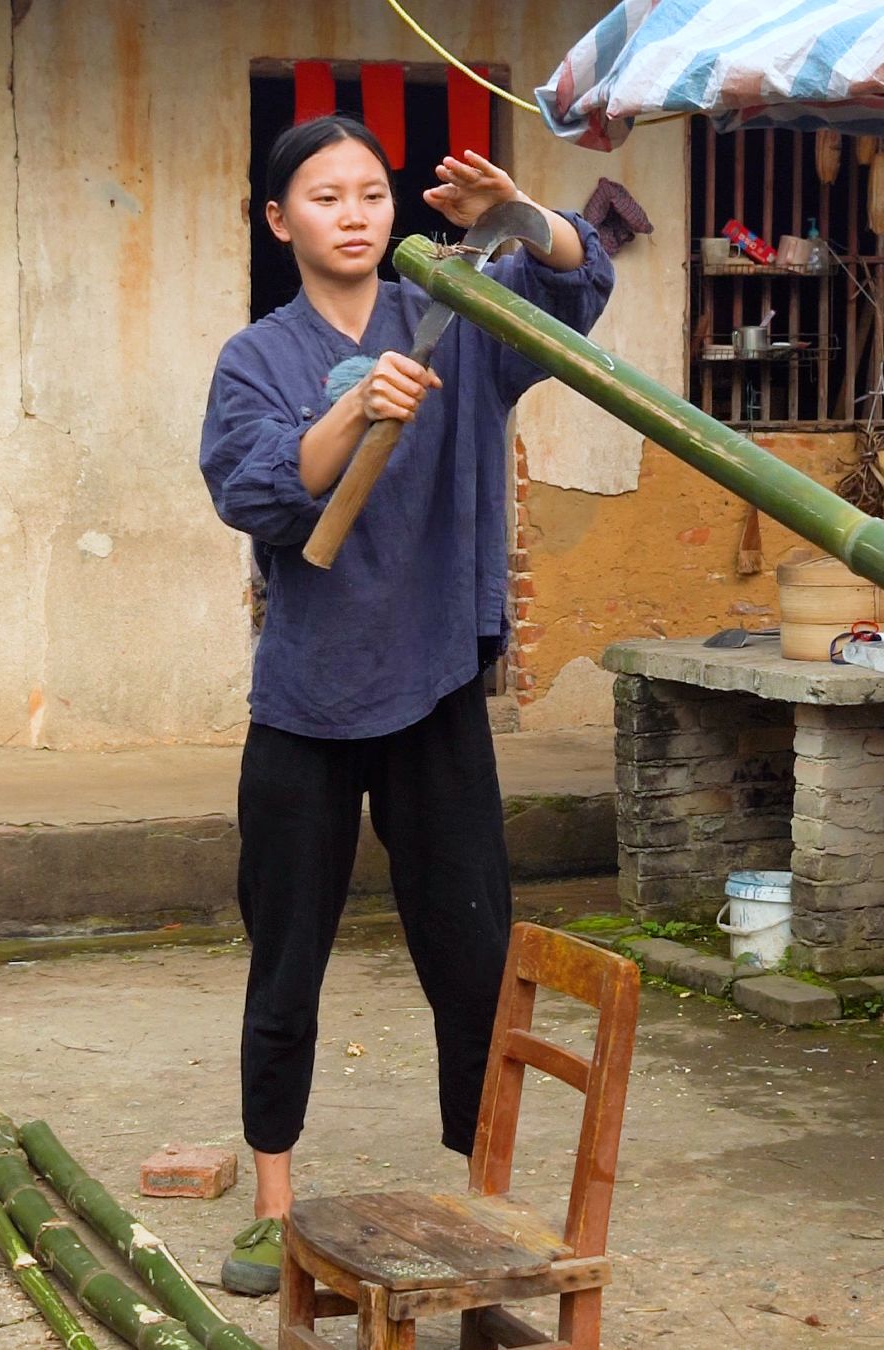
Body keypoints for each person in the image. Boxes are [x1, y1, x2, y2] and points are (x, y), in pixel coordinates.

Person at [197, 115, 612, 1296]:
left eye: (372, 192)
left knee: (474, 958)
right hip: (309, 702)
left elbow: (577, 299)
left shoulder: (457, 310)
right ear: (280, 222)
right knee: (286, 961)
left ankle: (478, 1192)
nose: (355, 212)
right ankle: (274, 1201)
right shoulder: (254, 358)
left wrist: (527, 221)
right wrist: (356, 408)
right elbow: (257, 490)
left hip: (435, 684)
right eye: (324, 197)